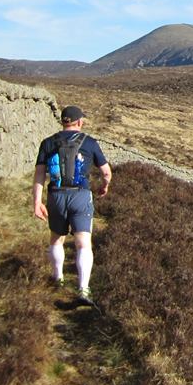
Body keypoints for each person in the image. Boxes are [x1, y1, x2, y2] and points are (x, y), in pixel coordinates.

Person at [32, 105, 111, 305]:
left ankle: (57, 278)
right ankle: (83, 289)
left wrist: (37, 202)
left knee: (56, 240)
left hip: (56, 196)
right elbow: (106, 172)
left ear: (63, 121)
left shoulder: (48, 143)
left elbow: (39, 174)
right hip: (81, 196)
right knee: (83, 243)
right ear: (80, 122)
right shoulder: (90, 143)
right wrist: (104, 186)